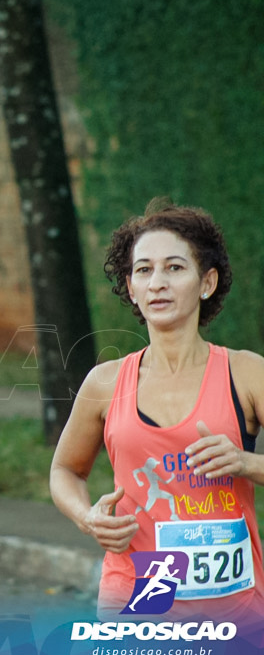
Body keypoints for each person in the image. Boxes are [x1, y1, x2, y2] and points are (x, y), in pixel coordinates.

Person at [49, 197, 264, 627]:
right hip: (139, 590)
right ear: (130, 287)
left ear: (207, 282)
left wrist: (246, 462)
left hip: (232, 604)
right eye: (143, 270)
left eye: (174, 268)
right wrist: (87, 517)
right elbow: (64, 471)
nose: (157, 283)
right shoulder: (105, 383)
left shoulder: (245, 373)